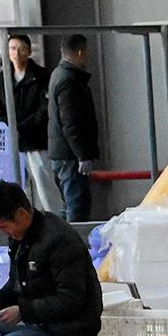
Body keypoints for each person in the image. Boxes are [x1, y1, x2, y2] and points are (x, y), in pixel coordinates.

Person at [0, 179, 103, 336]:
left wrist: (22, 312)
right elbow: (16, 281)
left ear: (22, 214)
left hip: (66, 329)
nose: (4, 232)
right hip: (36, 321)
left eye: (4, 227)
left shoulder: (59, 239)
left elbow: (71, 299)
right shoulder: (19, 237)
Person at [0, 33, 64, 215]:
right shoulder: (3, 78)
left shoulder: (41, 76)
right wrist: (9, 128)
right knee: (20, 187)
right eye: (12, 48)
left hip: (37, 141)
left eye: (21, 49)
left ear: (29, 51)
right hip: (14, 142)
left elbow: (44, 109)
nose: (16, 53)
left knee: (44, 185)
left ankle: (56, 219)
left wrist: (21, 128)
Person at [47, 33, 99, 221]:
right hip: (70, 157)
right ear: (79, 52)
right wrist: (82, 155)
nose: (87, 56)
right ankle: (72, 240)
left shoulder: (58, 74)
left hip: (62, 154)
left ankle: (64, 237)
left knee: (68, 206)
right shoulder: (70, 80)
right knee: (77, 208)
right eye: (86, 52)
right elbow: (71, 123)